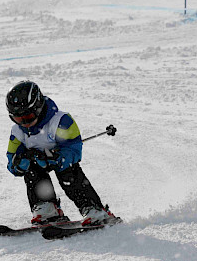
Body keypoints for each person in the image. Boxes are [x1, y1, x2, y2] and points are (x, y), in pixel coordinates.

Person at [6, 80, 117, 226]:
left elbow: (74, 149)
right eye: (17, 119)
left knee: (69, 172)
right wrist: (19, 165)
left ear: (38, 108)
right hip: (37, 163)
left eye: (27, 118)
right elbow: (11, 159)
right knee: (31, 171)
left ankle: (93, 208)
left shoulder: (61, 121)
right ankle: (47, 209)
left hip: (60, 161)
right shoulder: (18, 132)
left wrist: (58, 157)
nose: (23, 123)